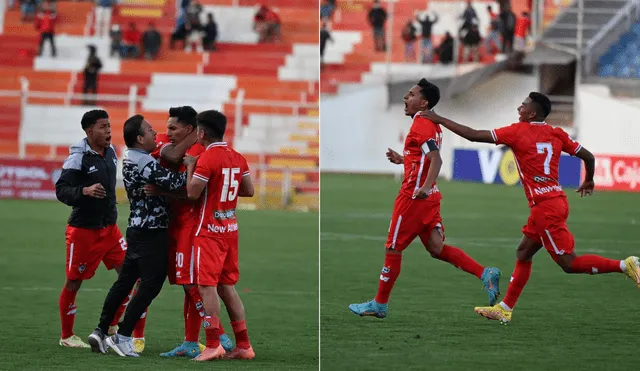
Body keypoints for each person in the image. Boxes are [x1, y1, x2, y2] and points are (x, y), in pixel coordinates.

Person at [419, 93, 640, 324]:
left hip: (546, 209)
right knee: (523, 252)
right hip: (553, 202)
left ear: (532, 113)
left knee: (569, 263)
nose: (519, 108)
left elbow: (474, 136)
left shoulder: (518, 131)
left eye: (523, 106)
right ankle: (505, 308)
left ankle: (625, 265)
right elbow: (588, 156)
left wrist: (440, 119)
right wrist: (589, 179)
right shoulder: (557, 133)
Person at [348, 79, 501, 319]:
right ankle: (485, 273)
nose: (405, 98)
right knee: (436, 248)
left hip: (413, 198)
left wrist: (425, 187)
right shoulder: (431, 125)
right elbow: (424, 157)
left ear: (424, 102)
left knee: (393, 247)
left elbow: (436, 159)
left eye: (410, 95)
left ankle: (379, 304)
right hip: (429, 198)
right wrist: (404, 159)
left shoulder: (422, 124)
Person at [87, 115, 186, 357]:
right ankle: (122, 336)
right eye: (150, 131)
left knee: (125, 282)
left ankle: (100, 331)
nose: (156, 134)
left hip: (136, 228)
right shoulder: (145, 162)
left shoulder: (131, 157)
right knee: (150, 284)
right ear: (140, 138)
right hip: (152, 231)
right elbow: (177, 182)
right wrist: (194, 165)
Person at [144, 107, 233, 358]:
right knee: (188, 284)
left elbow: (193, 194)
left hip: (192, 225)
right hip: (174, 223)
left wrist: (162, 192)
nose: (168, 132)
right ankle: (191, 342)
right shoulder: (169, 143)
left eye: (174, 128)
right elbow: (166, 154)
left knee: (190, 282)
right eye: (168, 127)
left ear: (191, 130)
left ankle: (220, 336)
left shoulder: (199, 153)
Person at [55, 110, 136, 348]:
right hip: (84, 232)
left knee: (130, 275)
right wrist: (84, 191)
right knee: (74, 282)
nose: (109, 130)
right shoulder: (77, 158)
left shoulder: (110, 152)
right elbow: (61, 190)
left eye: (110, 125)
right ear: (89, 131)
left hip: (110, 230)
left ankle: (112, 324)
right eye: (103, 126)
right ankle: (67, 336)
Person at [185, 110, 256, 361]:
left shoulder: (206, 158)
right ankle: (244, 345)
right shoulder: (238, 157)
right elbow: (248, 190)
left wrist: (190, 168)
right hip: (230, 230)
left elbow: (193, 193)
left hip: (209, 232)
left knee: (207, 287)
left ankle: (213, 344)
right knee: (227, 286)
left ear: (202, 133)